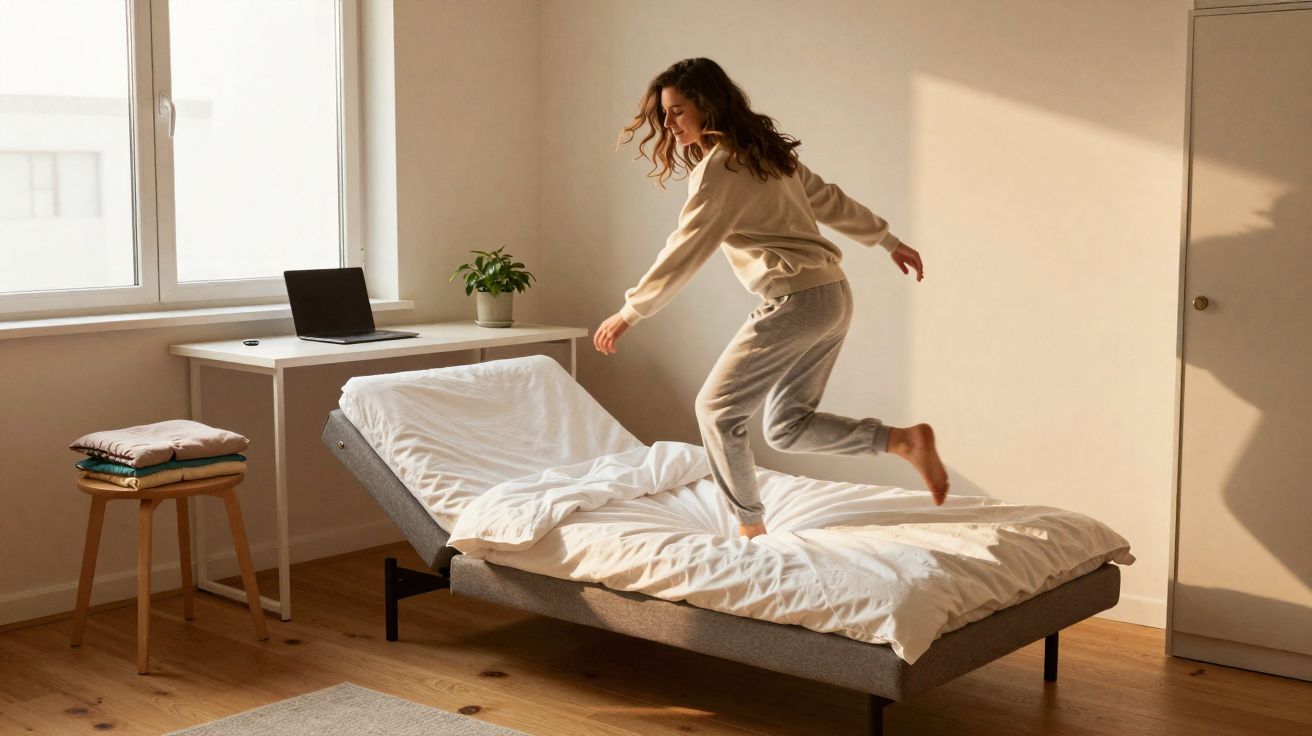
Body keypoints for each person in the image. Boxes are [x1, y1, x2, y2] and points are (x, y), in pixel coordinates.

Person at [593, 58, 949, 540]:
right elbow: (829, 199)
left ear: (707, 106)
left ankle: (750, 528)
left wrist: (630, 311)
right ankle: (901, 440)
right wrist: (887, 240)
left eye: (677, 111)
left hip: (798, 302)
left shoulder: (720, 169)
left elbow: (685, 248)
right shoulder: (765, 153)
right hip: (832, 297)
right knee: (787, 426)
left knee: (716, 411)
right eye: (665, 114)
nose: (668, 123)